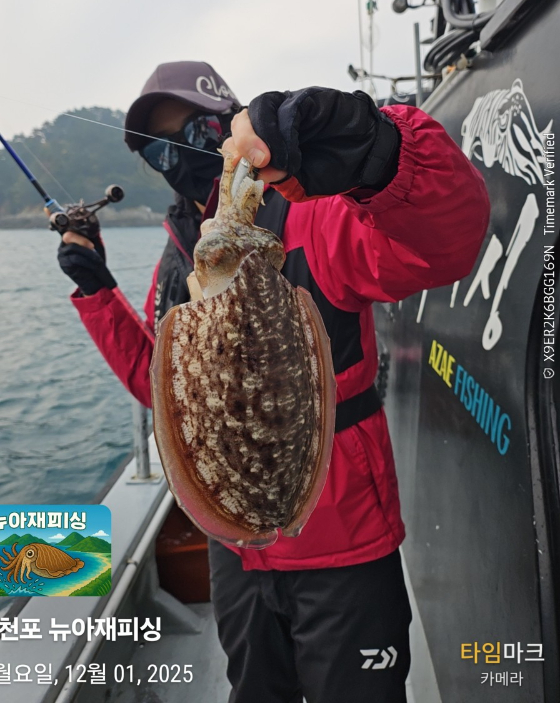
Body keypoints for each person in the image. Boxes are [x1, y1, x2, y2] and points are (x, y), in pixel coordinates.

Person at [57, 60, 490, 703]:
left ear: (230, 129)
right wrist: (97, 290)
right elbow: (164, 391)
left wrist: (378, 154)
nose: (178, 156)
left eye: (195, 132)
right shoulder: (177, 260)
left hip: (341, 534)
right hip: (232, 546)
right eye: (158, 148)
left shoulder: (318, 214)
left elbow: (443, 242)